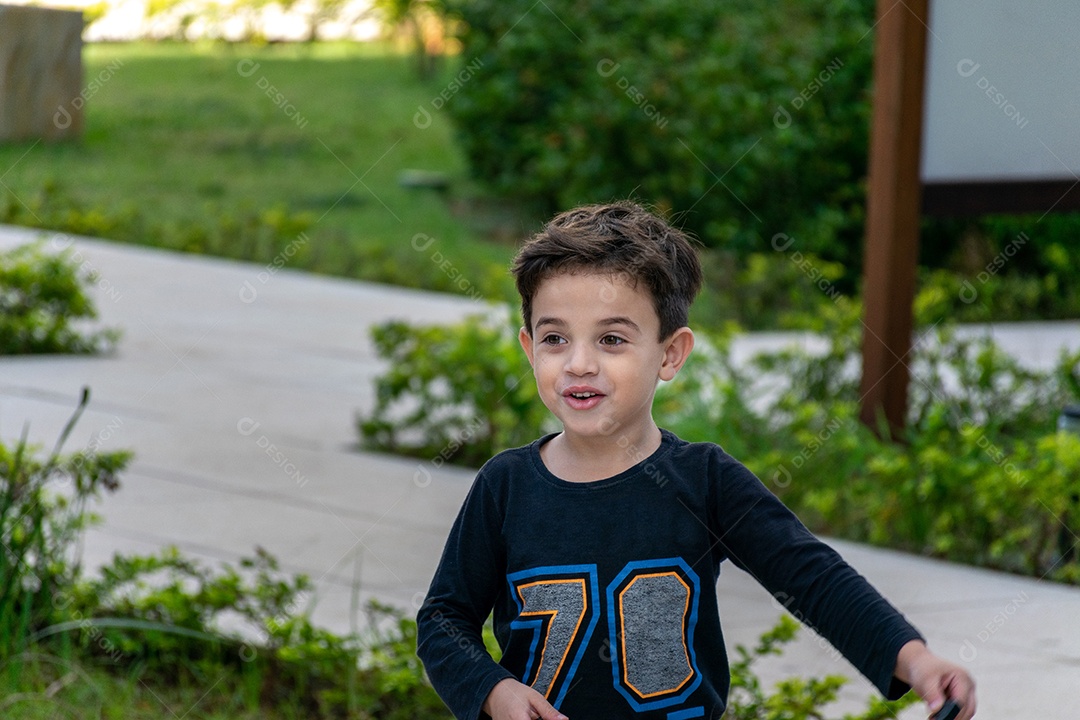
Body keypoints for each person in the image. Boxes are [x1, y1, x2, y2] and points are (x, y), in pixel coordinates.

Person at [416, 201, 976, 720]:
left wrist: (917, 660)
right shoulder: (505, 487)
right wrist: (492, 689)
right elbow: (444, 620)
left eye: (612, 340)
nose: (578, 363)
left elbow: (812, 578)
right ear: (528, 346)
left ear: (670, 353)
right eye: (555, 339)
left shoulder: (705, 482)